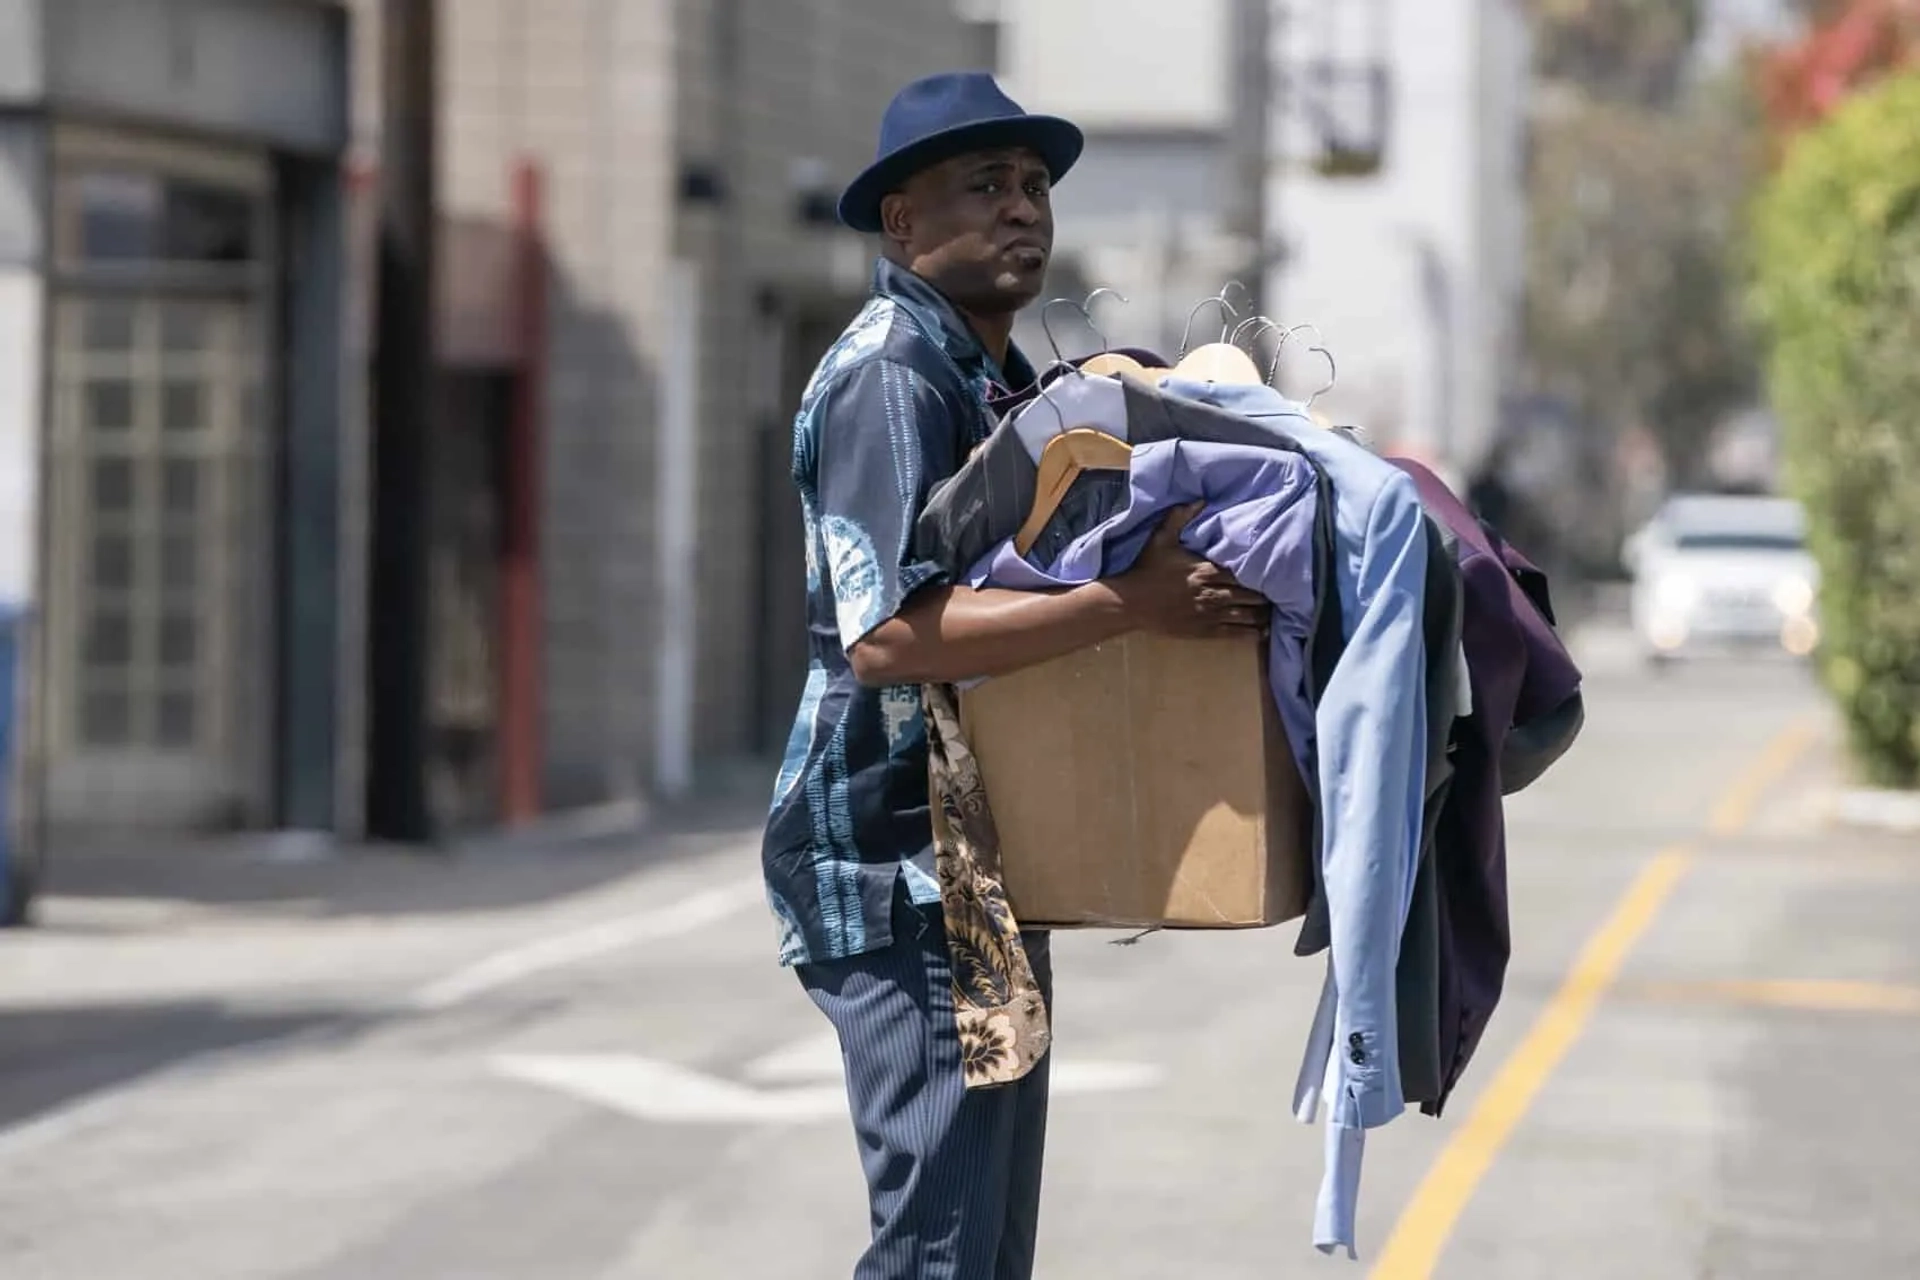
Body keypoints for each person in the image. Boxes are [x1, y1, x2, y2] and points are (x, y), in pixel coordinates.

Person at [762, 72, 1270, 1280]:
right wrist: (1128, 605)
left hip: (978, 871)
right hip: (894, 876)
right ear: (901, 222)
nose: (1021, 207)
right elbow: (886, 631)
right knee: (937, 1252)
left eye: (1034, 184)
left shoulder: (989, 381)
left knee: (983, 1256)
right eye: (983, 184)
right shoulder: (895, 372)